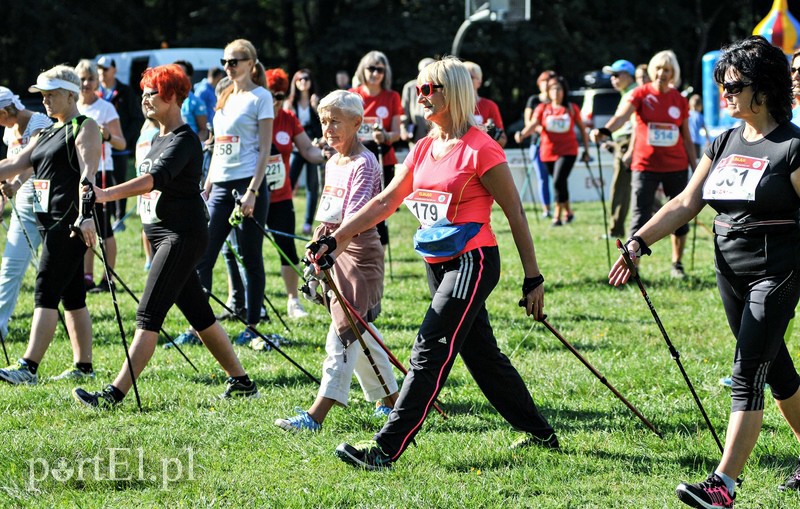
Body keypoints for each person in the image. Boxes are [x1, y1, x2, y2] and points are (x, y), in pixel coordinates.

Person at [314, 57, 556, 470]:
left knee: (428, 346)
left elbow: (515, 213)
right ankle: (541, 434)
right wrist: (337, 238)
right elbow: (386, 201)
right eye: (418, 88)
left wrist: (533, 278)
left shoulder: (482, 148)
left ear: (454, 93)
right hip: (437, 262)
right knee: (483, 356)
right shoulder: (425, 146)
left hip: (473, 261)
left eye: (430, 89)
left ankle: (384, 448)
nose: (420, 96)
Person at [608, 36, 800, 508]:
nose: (724, 92)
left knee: (747, 370)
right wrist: (638, 242)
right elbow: (686, 202)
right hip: (729, 272)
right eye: (721, 84)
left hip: (776, 273)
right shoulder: (725, 140)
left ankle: (724, 486)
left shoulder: (794, 147)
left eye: (733, 84)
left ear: (765, 87)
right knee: (776, 371)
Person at [72, 64, 258, 407]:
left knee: (148, 314)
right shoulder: (158, 138)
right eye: (143, 93)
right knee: (200, 315)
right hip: (163, 236)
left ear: (172, 96)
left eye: (151, 93)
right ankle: (242, 381)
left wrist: (104, 195)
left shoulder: (185, 140)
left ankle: (113, 394)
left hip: (181, 236)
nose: (144, 99)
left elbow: (150, 181)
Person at [274, 90, 399, 432]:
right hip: (332, 252)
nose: (328, 129)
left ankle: (316, 416)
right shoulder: (332, 162)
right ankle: (393, 402)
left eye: (335, 122)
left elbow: (354, 223)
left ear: (357, 123)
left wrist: (326, 255)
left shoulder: (365, 163)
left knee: (343, 333)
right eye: (324, 121)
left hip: (359, 256)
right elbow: (327, 215)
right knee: (362, 333)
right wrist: (315, 247)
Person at [0, 65, 99, 384]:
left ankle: (28, 367)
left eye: (51, 94)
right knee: (73, 296)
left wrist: (85, 215)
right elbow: (14, 164)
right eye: (41, 95)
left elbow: (88, 176)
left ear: (70, 96)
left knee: (45, 289)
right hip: (47, 222)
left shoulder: (85, 127)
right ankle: (83, 366)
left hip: (70, 223)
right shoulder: (45, 132)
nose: (44, 100)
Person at [185, 39, 273, 346]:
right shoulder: (223, 95)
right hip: (219, 184)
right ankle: (199, 329)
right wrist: (207, 184)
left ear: (251, 63)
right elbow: (218, 145)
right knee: (203, 256)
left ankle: (252, 325)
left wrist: (252, 191)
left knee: (250, 256)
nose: (228, 67)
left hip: (248, 182)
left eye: (234, 61)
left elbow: (264, 149)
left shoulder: (261, 97)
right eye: (225, 61)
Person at [594, 50, 696, 279]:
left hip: (676, 165)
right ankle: (633, 268)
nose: (661, 73)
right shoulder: (640, 93)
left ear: (673, 74)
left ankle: (677, 264)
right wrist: (605, 130)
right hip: (645, 165)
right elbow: (621, 116)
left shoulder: (679, 100)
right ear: (652, 70)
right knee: (639, 217)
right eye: (658, 68)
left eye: (667, 70)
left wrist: (695, 167)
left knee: (680, 215)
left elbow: (687, 137)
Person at [263, 68, 325, 318]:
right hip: (253, 197)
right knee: (249, 251)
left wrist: (329, 156)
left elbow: (308, 151)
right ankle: (248, 302)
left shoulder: (289, 119)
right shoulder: (252, 118)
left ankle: (292, 301)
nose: (275, 101)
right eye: (270, 95)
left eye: (279, 95)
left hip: (281, 196)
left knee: (286, 248)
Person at [0, 88, 53, 342]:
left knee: (55, 274)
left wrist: (17, 183)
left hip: (49, 201)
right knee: (10, 266)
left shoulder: (40, 122)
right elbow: (8, 173)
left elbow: (32, 160)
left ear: (4, 111)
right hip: (23, 203)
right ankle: (0, 326)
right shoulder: (9, 131)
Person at [75, 59, 126, 293]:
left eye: (90, 78)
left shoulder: (106, 108)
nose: (86, 83)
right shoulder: (73, 106)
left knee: (104, 227)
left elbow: (121, 142)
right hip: (75, 173)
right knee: (83, 225)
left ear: (97, 81)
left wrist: (106, 135)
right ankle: (86, 276)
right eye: (82, 79)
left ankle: (108, 278)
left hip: (101, 171)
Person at [515, 75, 590, 226]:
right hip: (547, 152)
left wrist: (586, 150)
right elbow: (533, 124)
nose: (556, 92)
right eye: (553, 89)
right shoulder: (542, 108)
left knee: (557, 181)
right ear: (548, 92)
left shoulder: (571, 108)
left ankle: (557, 216)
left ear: (564, 91)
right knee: (560, 183)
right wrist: (522, 134)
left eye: (559, 89)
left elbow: (582, 129)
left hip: (568, 151)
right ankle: (569, 212)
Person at [349, 50, 403, 247]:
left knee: (380, 211)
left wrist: (386, 136)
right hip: (356, 161)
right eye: (371, 68)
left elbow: (397, 132)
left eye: (380, 69)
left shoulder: (392, 96)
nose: (375, 73)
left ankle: (379, 254)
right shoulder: (353, 95)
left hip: (383, 159)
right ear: (363, 70)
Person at [96, 56, 142, 232]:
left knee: (119, 182)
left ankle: (119, 217)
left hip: (119, 148)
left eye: (105, 69)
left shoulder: (125, 91)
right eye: (99, 69)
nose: (102, 72)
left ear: (114, 70)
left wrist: (125, 140)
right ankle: (103, 215)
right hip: (100, 150)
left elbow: (136, 118)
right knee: (101, 182)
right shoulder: (94, 92)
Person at [600, 59, 637, 239]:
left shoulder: (632, 93)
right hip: (622, 142)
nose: (613, 79)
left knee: (620, 188)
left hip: (627, 143)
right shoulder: (628, 93)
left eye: (616, 75)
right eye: (611, 76)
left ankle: (616, 230)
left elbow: (624, 121)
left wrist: (603, 133)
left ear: (628, 75)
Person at [285, 68, 322, 235]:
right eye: (299, 79)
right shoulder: (290, 103)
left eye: (306, 78)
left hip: (313, 146)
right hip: (295, 148)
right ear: (295, 82)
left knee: (312, 186)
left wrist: (316, 108)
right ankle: (286, 218)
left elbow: (322, 125)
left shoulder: (317, 102)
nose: (303, 82)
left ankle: (308, 223)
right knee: (289, 184)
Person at [464, 61, 507, 147]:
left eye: (470, 77)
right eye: (462, 77)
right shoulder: (451, 106)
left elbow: (503, 141)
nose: (466, 80)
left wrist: (493, 134)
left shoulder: (490, 106)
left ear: (479, 82)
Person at [400, 57, 435, 148]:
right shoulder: (410, 87)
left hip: (436, 135)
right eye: (422, 71)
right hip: (417, 137)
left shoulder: (439, 87)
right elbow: (404, 113)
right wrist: (403, 130)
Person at [173, 60, 209, 143]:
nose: (175, 76)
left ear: (188, 78)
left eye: (179, 73)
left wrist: (192, 145)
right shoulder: (164, 100)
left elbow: (204, 131)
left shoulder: (196, 102)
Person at [688, 94, 711, 159]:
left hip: (688, 141)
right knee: (696, 159)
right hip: (696, 141)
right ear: (700, 106)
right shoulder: (700, 116)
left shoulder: (687, 115)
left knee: (688, 159)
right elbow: (705, 129)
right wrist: (708, 140)